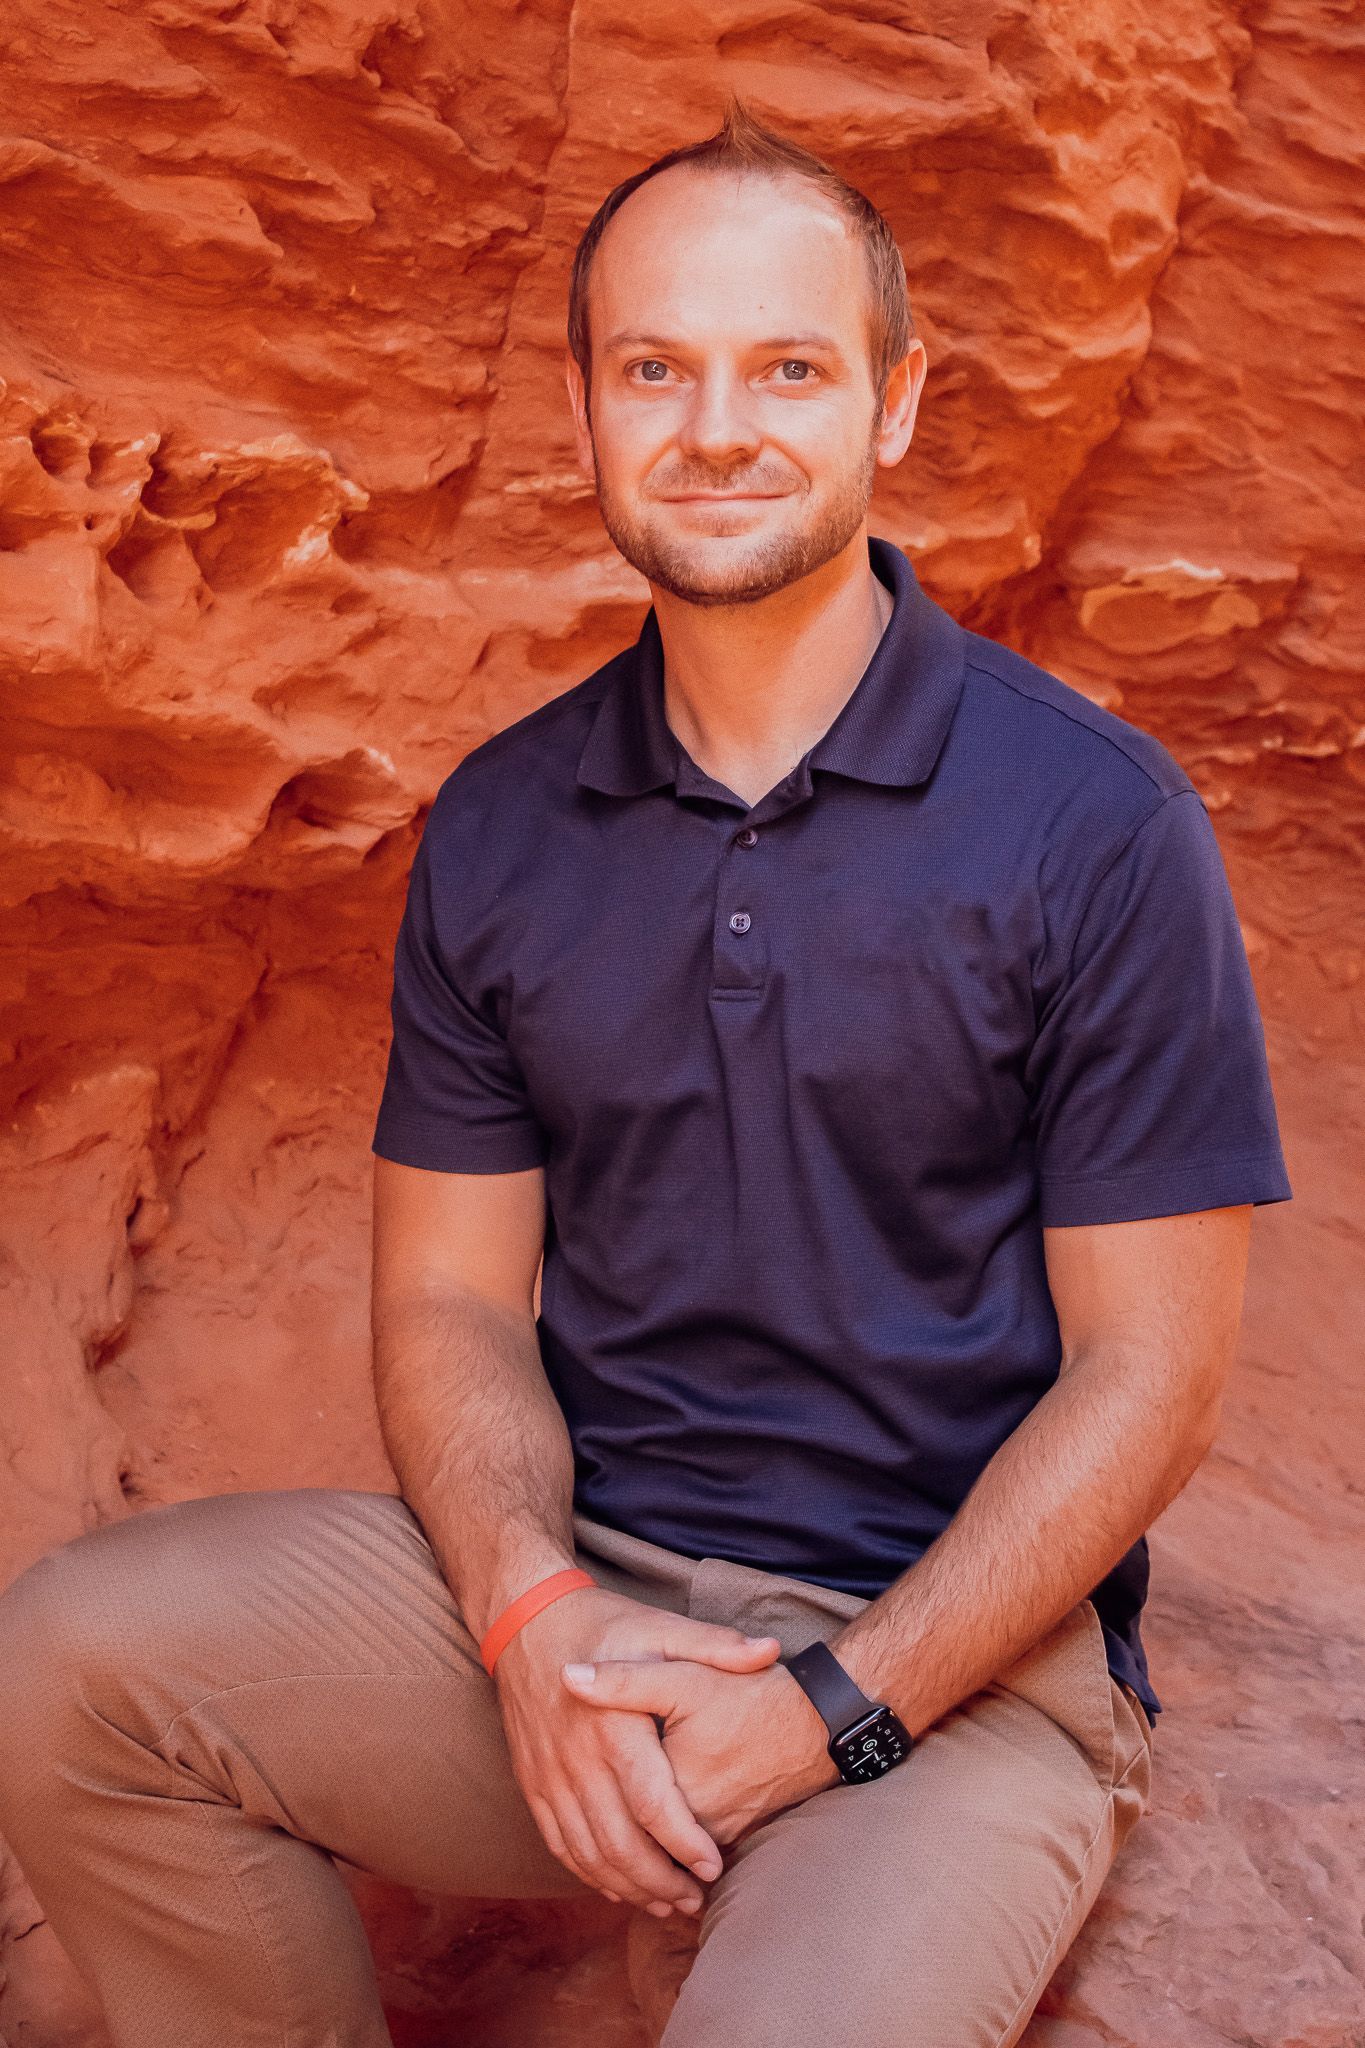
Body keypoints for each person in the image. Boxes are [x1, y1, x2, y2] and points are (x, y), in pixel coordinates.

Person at [0, 97, 1293, 2048]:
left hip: (947, 1679)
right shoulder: (506, 824)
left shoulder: (1093, 825)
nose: (713, 424)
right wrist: (527, 1612)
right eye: (651, 368)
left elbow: (1150, 1374)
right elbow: (447, 1297)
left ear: (894, 407)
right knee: (70, 1671)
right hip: (584, 1607)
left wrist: (828, 1708)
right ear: (588, 418)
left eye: (785, 364)